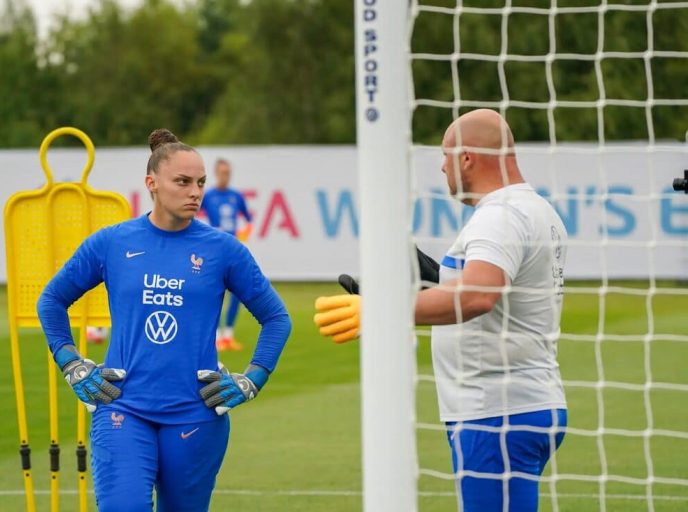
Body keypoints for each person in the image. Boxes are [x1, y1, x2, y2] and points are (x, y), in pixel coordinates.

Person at [314, 109, 568, 512]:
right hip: (522, 403)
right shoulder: (534, 208)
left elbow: (477, 297)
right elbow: (487, 290)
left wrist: (381, 310)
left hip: (496, 412)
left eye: (445, 156)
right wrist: (433, 281)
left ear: (466, 157)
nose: (442, 167)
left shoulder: (499, 214)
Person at [37, 129, 291, 512]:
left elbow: (276, 317)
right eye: (183, 182)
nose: (195, 192)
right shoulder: (112, 243)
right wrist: (71, 362)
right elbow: (51, 300)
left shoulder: (223, 250)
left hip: (197, 414)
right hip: (122, 407)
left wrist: (253, 378)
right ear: (151, 183)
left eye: (200, 183)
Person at [200, 158, 253, 352]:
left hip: (233, 250)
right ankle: (215, 336)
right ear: (216, 173)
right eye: (222, 173)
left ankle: (228, 335)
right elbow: (193, 217)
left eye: (228, 173)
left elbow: (248, 219)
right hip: (214, 251)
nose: (225, 176)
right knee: (213, 293)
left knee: (237, 292)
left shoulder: (236, 197)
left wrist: (243, 236)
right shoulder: (209, 196)